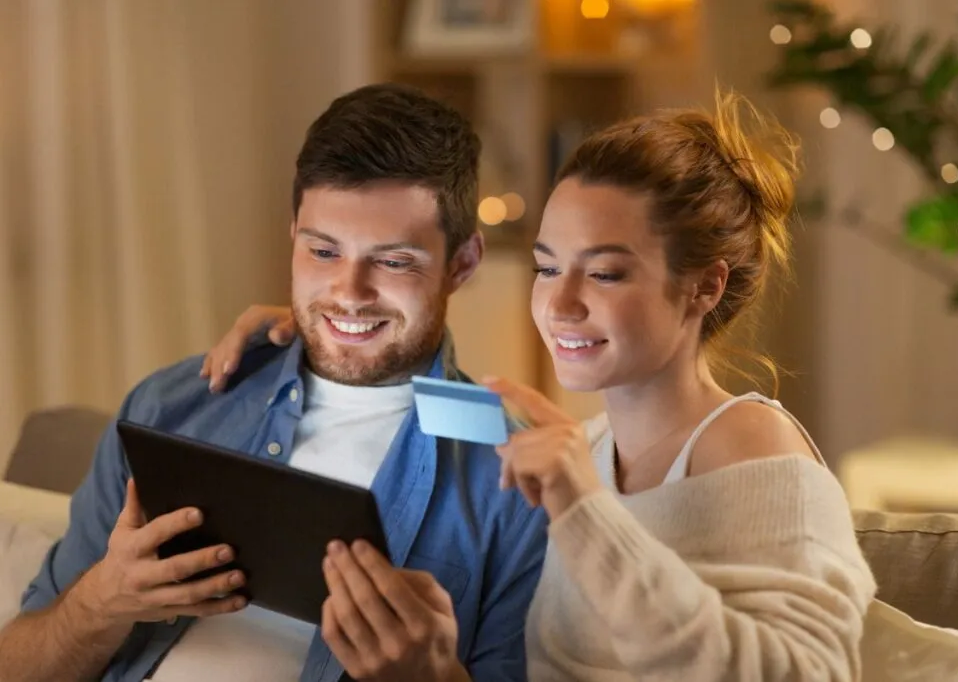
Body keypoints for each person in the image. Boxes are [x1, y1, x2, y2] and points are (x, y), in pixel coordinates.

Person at [203, 88, 879, 681]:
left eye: (606, 273)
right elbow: (395, 398)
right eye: (548, 268)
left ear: (703, 285)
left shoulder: (750, 440)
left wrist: (583, 507)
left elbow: (806, 674)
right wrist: (309, 332)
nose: (561, 304)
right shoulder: (562, 439)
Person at [0, 83, 549, 682]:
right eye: (323, 251)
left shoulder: (513, 480)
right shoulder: (172, 405)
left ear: (463, 263)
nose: (349, 292)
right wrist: (98, 604)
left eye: (393, 261)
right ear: (293, 234)